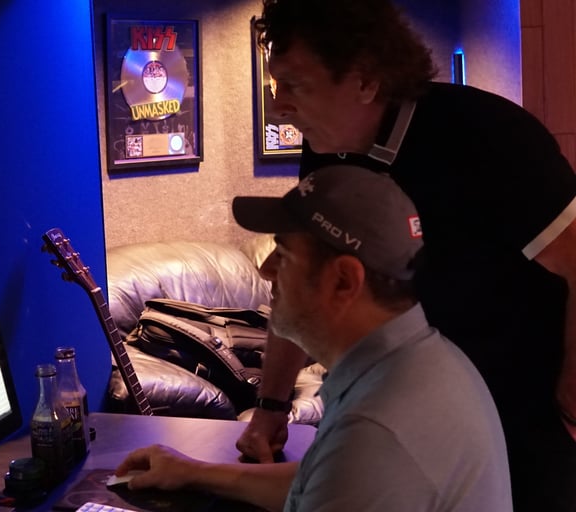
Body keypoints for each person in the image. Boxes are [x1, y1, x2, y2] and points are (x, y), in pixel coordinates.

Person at [236, 1, 576, 511]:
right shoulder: (327, 150)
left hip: (522, 409)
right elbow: (298, 279)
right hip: (406, 395)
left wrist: (571, 400)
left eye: (295, 85)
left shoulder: (488, 136)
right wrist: (270, 407)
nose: (278, 106)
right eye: (275, 84)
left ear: (366, 80)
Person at [115, 165, 512, 511]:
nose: (266, 270)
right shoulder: (419, 364)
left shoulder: (375, 432)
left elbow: (351, 471)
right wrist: (192, 472)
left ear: (344, 281)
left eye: (284, 255)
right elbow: (319, 480)